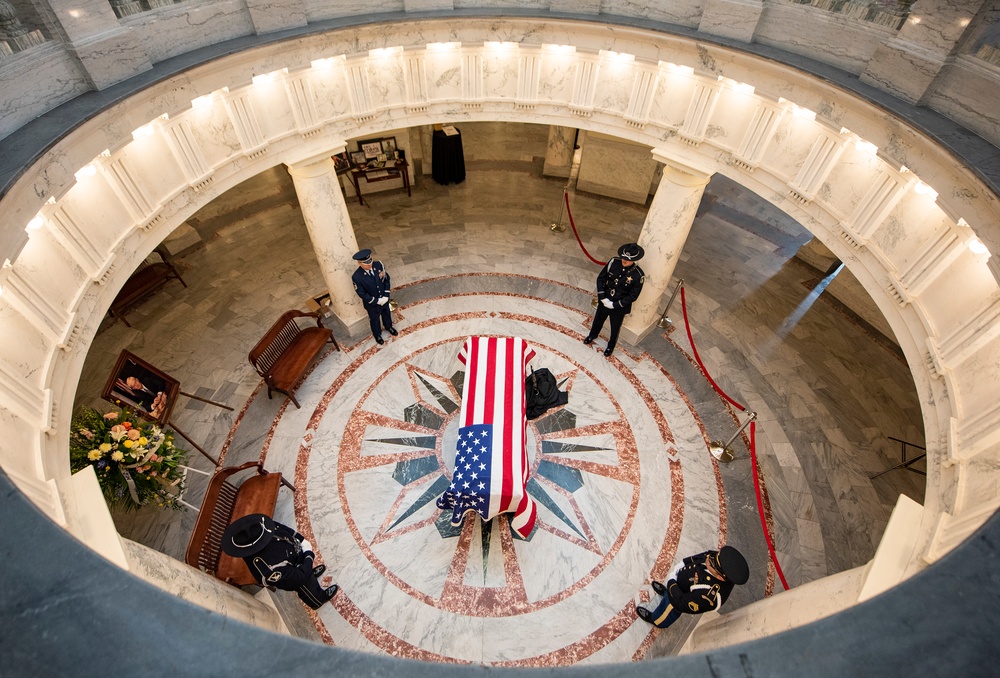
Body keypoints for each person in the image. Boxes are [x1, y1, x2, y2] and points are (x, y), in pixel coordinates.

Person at [221, 514, 338, 610]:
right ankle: (318, 599)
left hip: (294, 556)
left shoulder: (259, 528)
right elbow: (299, 577)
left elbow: (278, 527)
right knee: (305, 584)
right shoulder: (268, 568)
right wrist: (308, 555)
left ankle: (309, 571)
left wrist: (299, 538)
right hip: (293, 575)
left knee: (306, 571)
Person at [635, 545, 749, 629]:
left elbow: (680, 602)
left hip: (678, 598)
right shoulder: (717, 560)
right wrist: (683, 563)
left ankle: (656, 620)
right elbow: (702, 556)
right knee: (668, 596)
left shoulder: (709, 596)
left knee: (668, 609)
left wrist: (672, 582)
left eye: (712, 564)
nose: (708, 559)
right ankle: (666, 593)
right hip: (680, 583)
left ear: (721, 577)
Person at [583, 243, 645, 357]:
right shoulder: (613, 262)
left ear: (634, 260)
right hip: (605, 299)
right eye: (623, 258)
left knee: (615, 327)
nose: (624, 261)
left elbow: (633, 296)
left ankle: (611, 346)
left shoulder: (638, 275)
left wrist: (615, 305)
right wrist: (602, 297)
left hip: (619, 306)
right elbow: (601, 279)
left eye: (627, 259)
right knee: (598, 320)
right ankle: (592, 335)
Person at [351, 248, 397, 345]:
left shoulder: (378, 265)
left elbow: (386, 279)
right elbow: (361, 293)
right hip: (372, 304)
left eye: (370, 261)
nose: (369, 264)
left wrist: (386, 295)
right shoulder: (357, 276)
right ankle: (377, 335)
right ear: (359, 263)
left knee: (386, 313)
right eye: (366, 263)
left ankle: (389, 326)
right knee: (374, 320)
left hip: (384, 299)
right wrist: (376, 301)